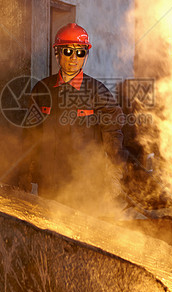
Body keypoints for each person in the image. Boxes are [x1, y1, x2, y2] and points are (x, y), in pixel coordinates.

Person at [23, 23, 128, 214]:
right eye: (67, 51)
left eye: (80, 53)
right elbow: (31, 134)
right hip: (50, 180)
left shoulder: (97, 91)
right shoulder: (42, 90)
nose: (73, 58)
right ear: (57, 53)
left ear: (86, 56)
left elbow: (113, 131)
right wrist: (27, 173)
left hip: (85, 183)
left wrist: (115, 173)